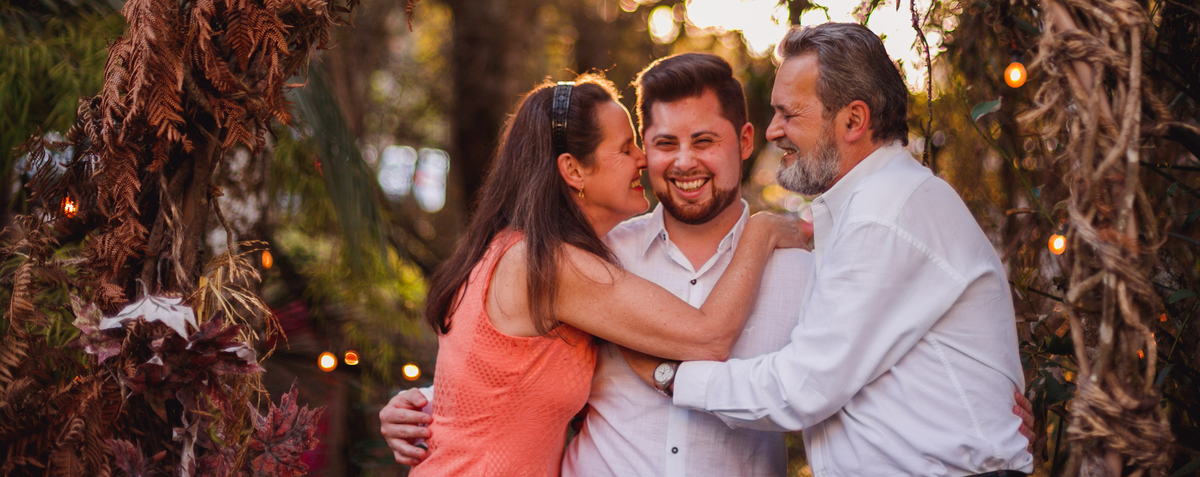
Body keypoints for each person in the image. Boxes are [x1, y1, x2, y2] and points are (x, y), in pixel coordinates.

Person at [383, 53, 1036, 474]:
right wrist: (424, 406)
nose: (678, 161)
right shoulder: (596, 261)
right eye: (659, 143)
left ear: (744, 142)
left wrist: (981, 421)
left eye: (704, 140)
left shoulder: (808, 267)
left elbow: (854, 372)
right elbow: (514, 370)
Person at [624, 23, 1035, 477]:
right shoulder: (867, 210)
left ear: (853, 121)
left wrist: (673, 376)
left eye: (788, 114)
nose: (773, 130)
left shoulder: (885, 212)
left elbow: (804, 386)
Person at [400, 73, 806, 477]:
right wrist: (761, 231)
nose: (643, 159)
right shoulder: (548, 263)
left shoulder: (518, 248)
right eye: (626, 148)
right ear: (574, 170)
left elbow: (495, 382)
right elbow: (708, 337)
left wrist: (424, 404)